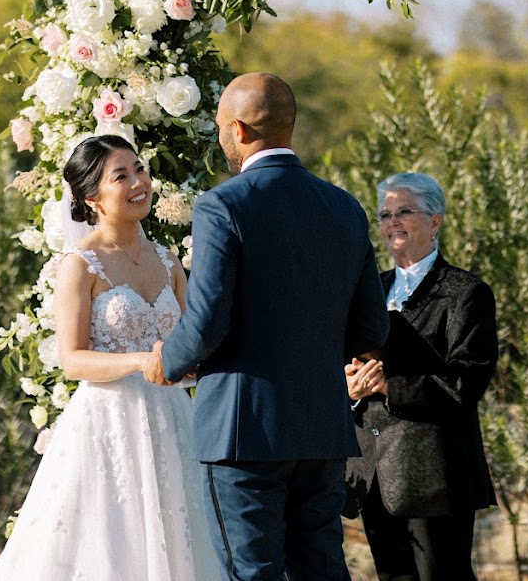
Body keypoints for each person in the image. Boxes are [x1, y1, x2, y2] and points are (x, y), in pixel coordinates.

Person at [143, 72, 390, 580]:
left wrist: (166, 360)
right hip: (321, 426)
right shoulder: (344, 206)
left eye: (218, 127)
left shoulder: (224, 204)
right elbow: (371, 327)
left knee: (250, 572)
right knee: (321, 571)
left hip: (243, 430)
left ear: (237, 129)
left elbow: (207, 319)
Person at [0, 135, 220, 581]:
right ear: (91, 197)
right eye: (122, 175)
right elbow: (72, 360)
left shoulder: (169, 261)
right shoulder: (80, 265)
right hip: (109, 423)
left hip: (173, 423)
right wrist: (141, 361)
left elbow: (191, 342)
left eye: (140, 169)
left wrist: (191, 363)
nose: (139, 182)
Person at [341, 173, 497, 581]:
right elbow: (344, 367)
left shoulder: (467, 293)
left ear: (435, 221)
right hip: (374, 474)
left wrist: (390, 386)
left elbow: (466, 383)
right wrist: (351, 389)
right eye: (385, 214)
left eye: (404, 211)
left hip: (435, 477)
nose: (393, 222)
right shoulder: (367, 293)